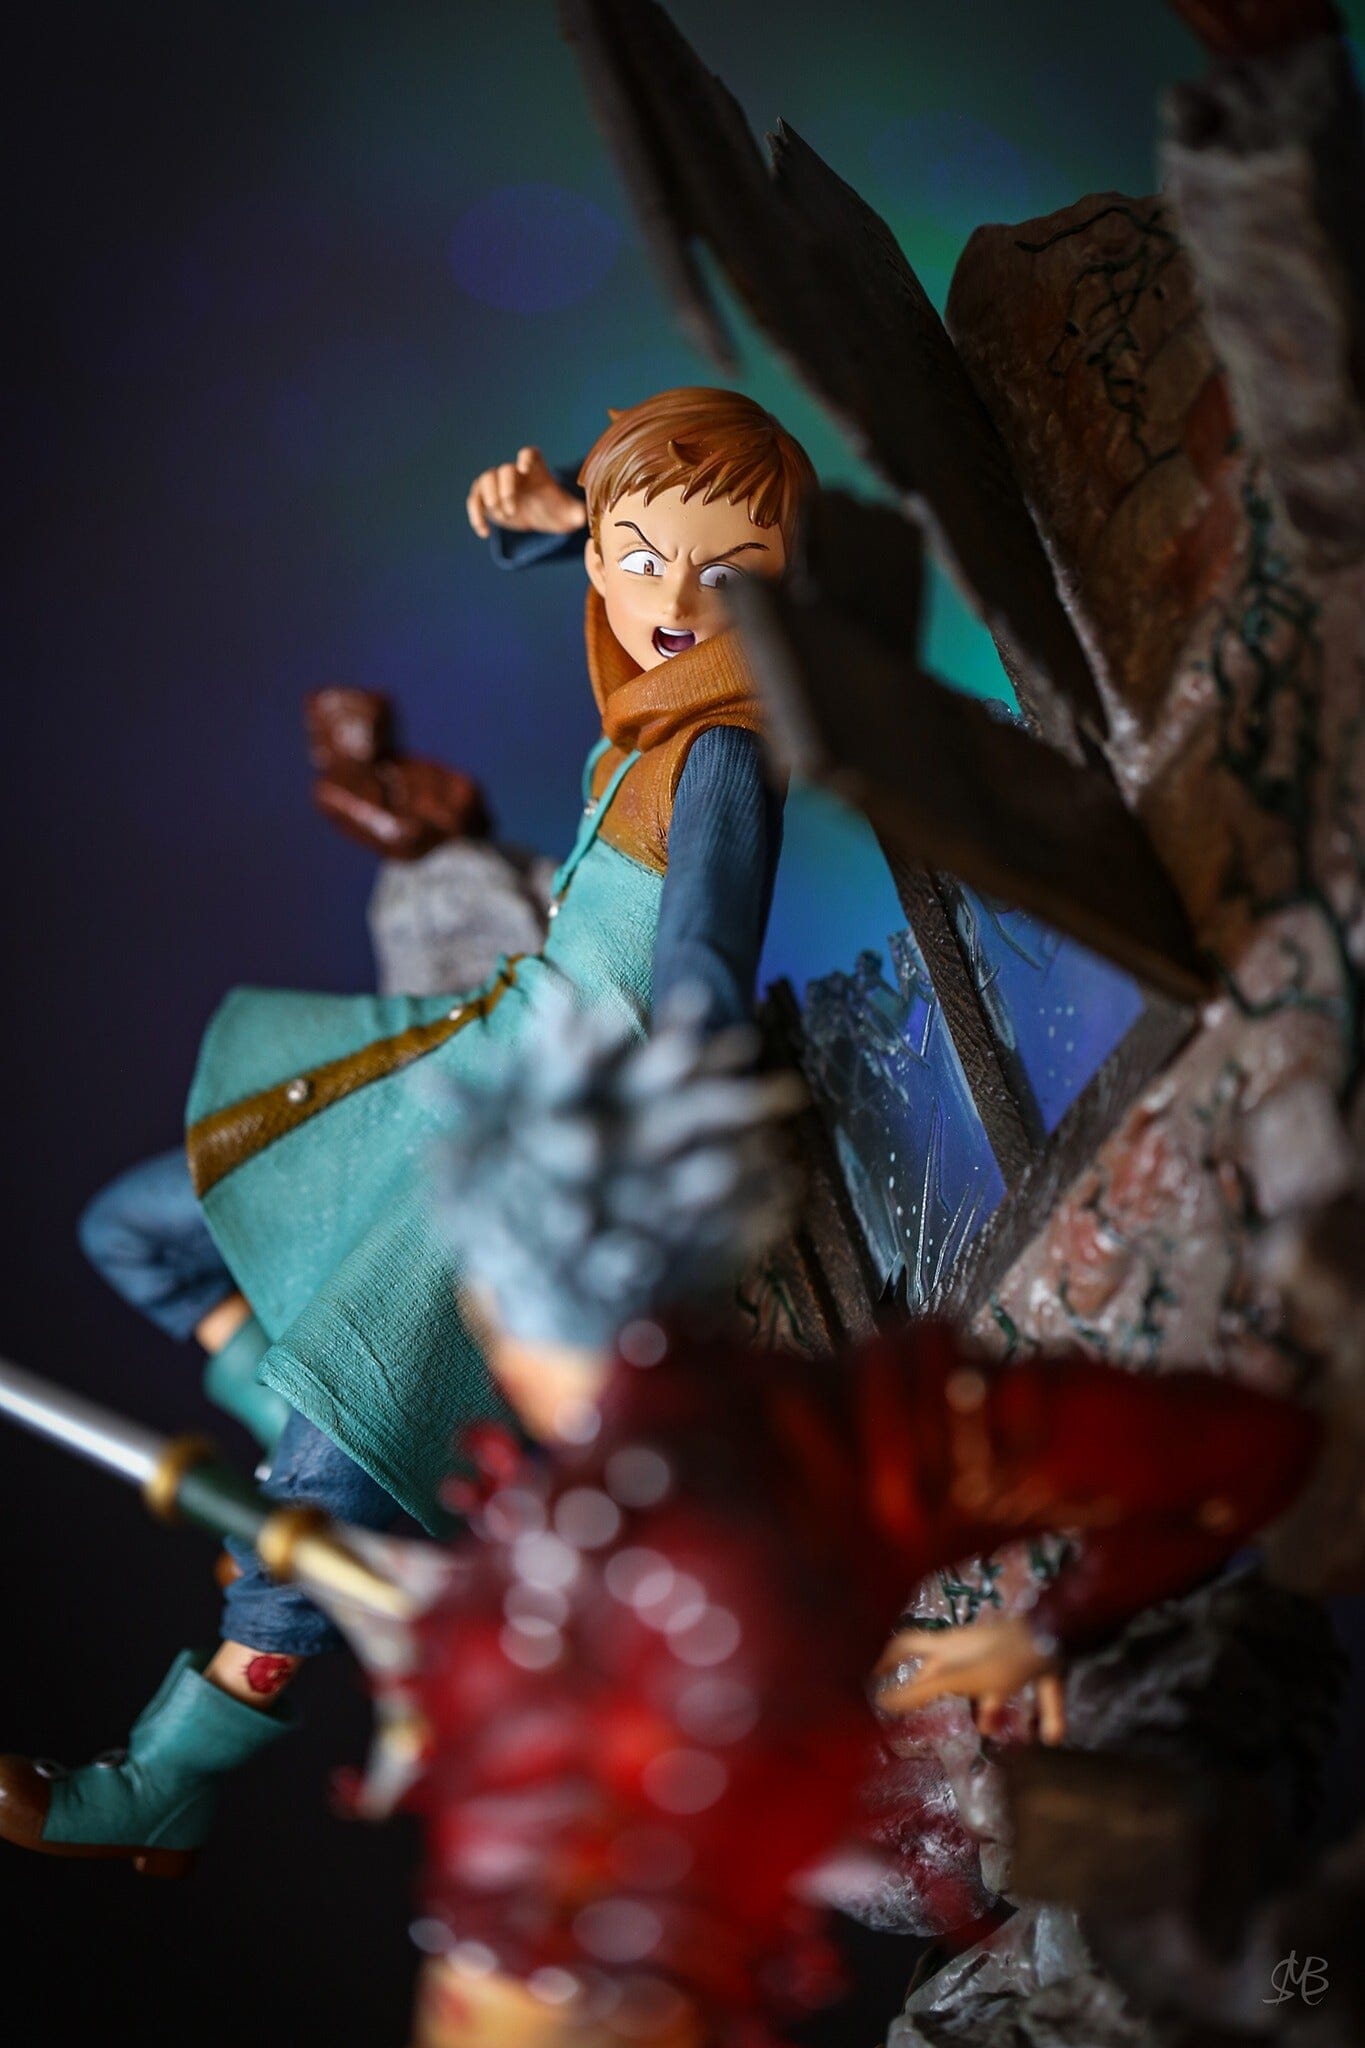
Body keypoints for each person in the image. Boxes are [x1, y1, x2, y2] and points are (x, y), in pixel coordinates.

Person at [0, 390, 812, 1875]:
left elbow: (700, 974)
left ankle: (171, 1768)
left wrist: (649, 1162)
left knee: (329, 1466)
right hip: (477, 1049)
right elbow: (639, 577)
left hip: (549, 1124)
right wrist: (568, 521)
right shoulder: (663, 696)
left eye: (729, 576)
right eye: (642, 562)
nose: (677, 604)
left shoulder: (724, 747)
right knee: (148, 1224)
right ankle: (311, 1415)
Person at [357, 1002, 1324, 2048]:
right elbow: (1245, 1455)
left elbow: (1250, 1454)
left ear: (500, 1313)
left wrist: (1053, 1628)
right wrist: (1049, 1627)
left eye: (484, 1309)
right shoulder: (876, 1429)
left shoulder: (611, 1538)